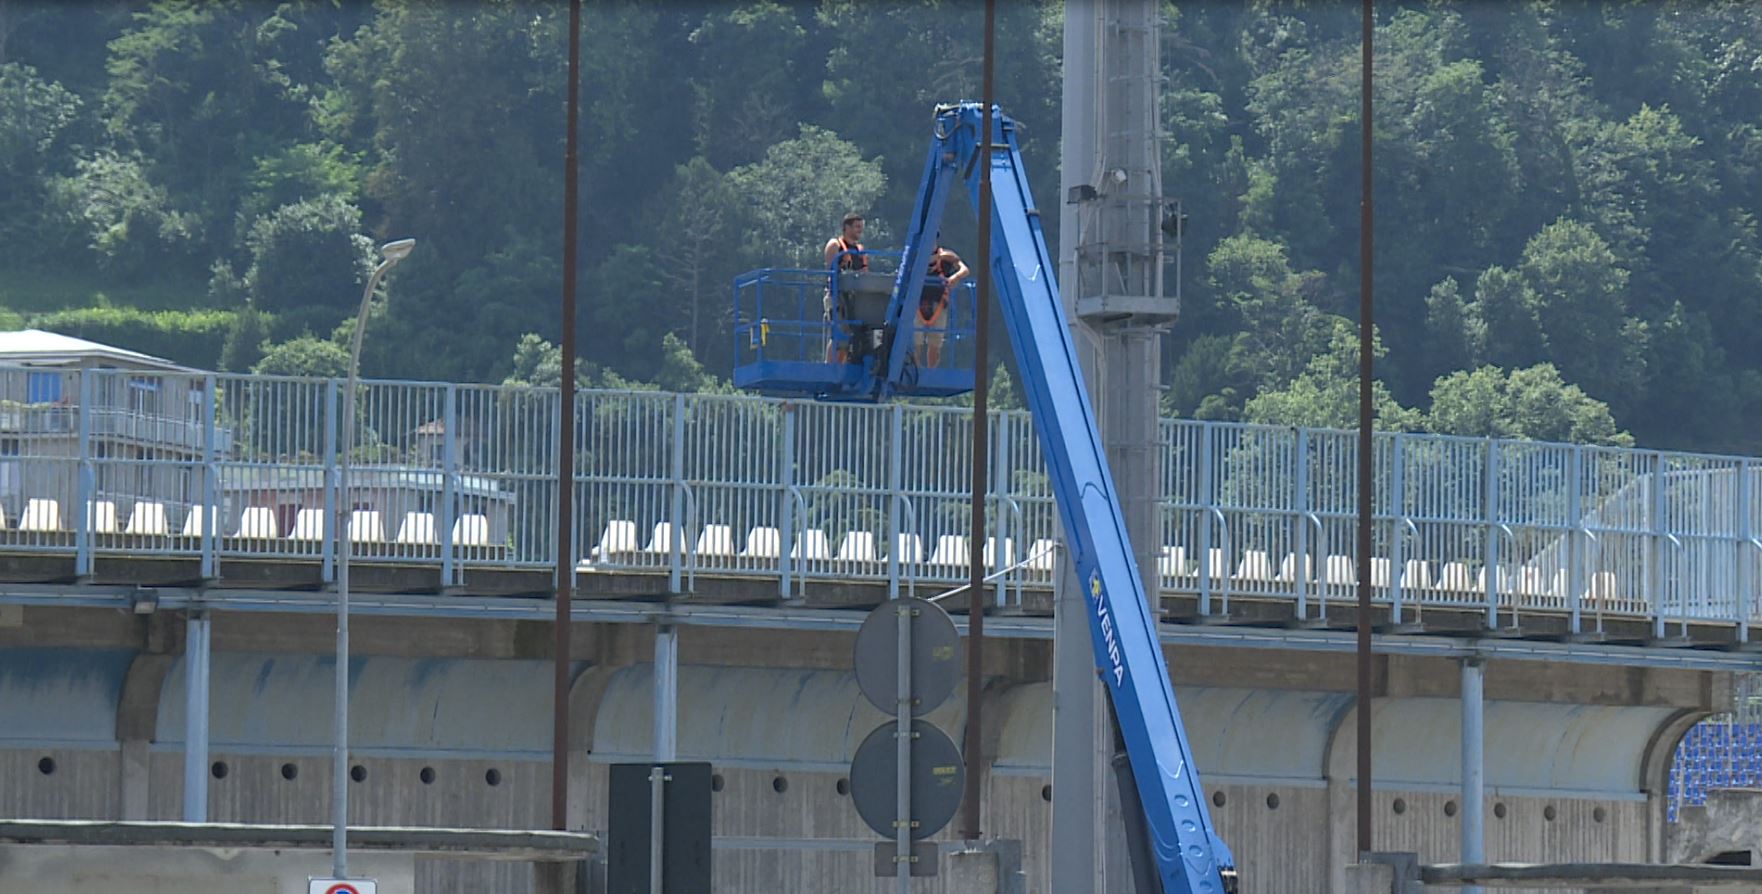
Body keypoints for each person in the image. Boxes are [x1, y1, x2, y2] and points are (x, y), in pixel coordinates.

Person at [915, 238, 969, 368]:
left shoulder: (946, 257)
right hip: (917, 302)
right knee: (915, 341)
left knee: (935, 344)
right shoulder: (916, 256)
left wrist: (955, 277)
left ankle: (931, 372)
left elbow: (964, 269)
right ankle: (915, 370)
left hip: (938, 303)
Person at [822, 213, 867, 363]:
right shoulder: (835, 245)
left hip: (854, 298)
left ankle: (841, 367)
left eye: (861, 226)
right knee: (838, 334)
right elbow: (831, 272)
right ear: (847, 227)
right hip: (836, 296)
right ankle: (830, 367)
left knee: (850, 336)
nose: (860, 230)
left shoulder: (860, 250)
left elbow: (865, 273)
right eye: (857, 226)